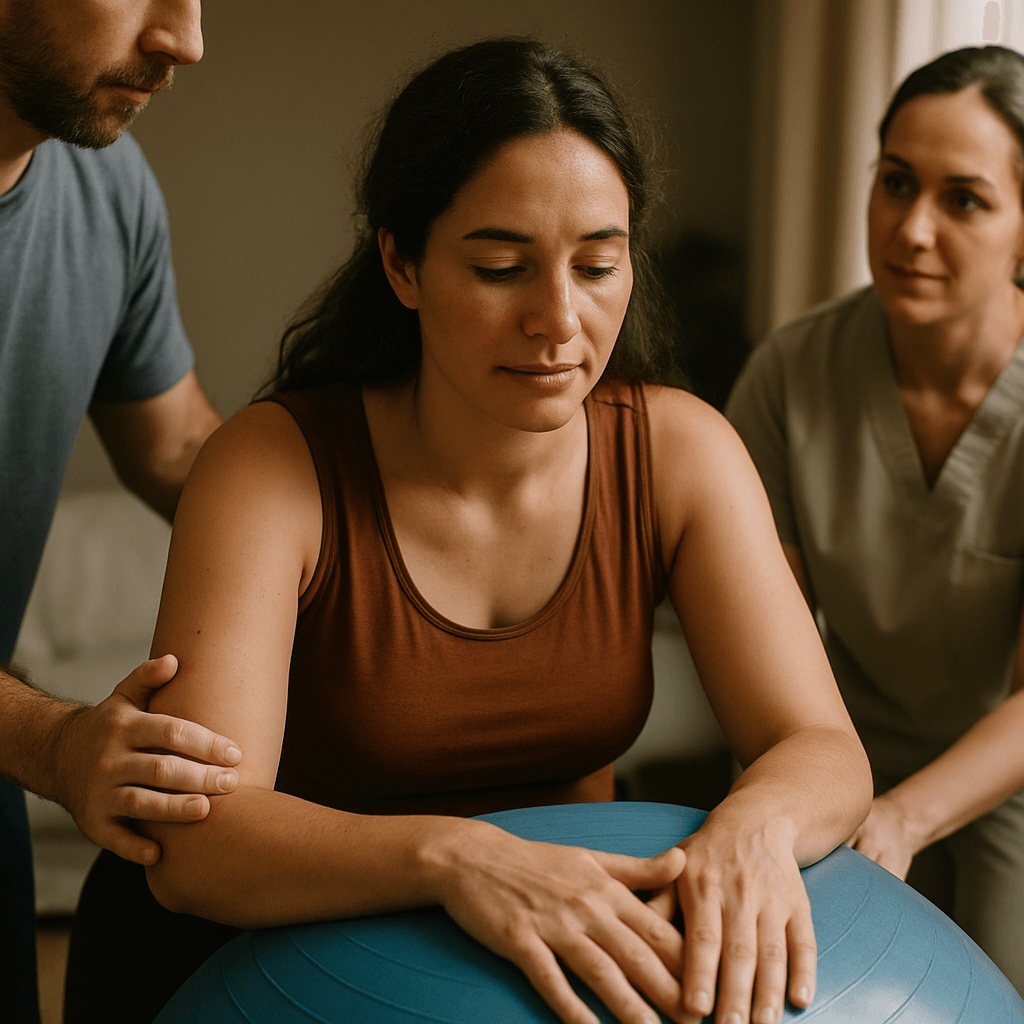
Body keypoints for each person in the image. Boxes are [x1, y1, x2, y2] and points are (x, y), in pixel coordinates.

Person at [64, 38, 872, 1024]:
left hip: (528, 969)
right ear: (400, 264)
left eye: (597, 265)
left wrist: (755, 825)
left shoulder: (679, 452)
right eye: (500, 268)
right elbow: (198, 841)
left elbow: (822, 746)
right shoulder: (272, 468)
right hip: (260, 971)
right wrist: (460, 855)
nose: (558, 320)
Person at [726, 45, 1024, 995]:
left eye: (963, 199)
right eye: (895, 183)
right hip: (828, 750)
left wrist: (902, 818)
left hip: (1006, 778)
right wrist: (804, 797)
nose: (912, 229)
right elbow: (757, 640)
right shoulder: (791, 374)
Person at [0, 3, 244, 1021]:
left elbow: (177, 447)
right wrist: (52, 743)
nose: (184, 38)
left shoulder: (108, 187)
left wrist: (390, 534)